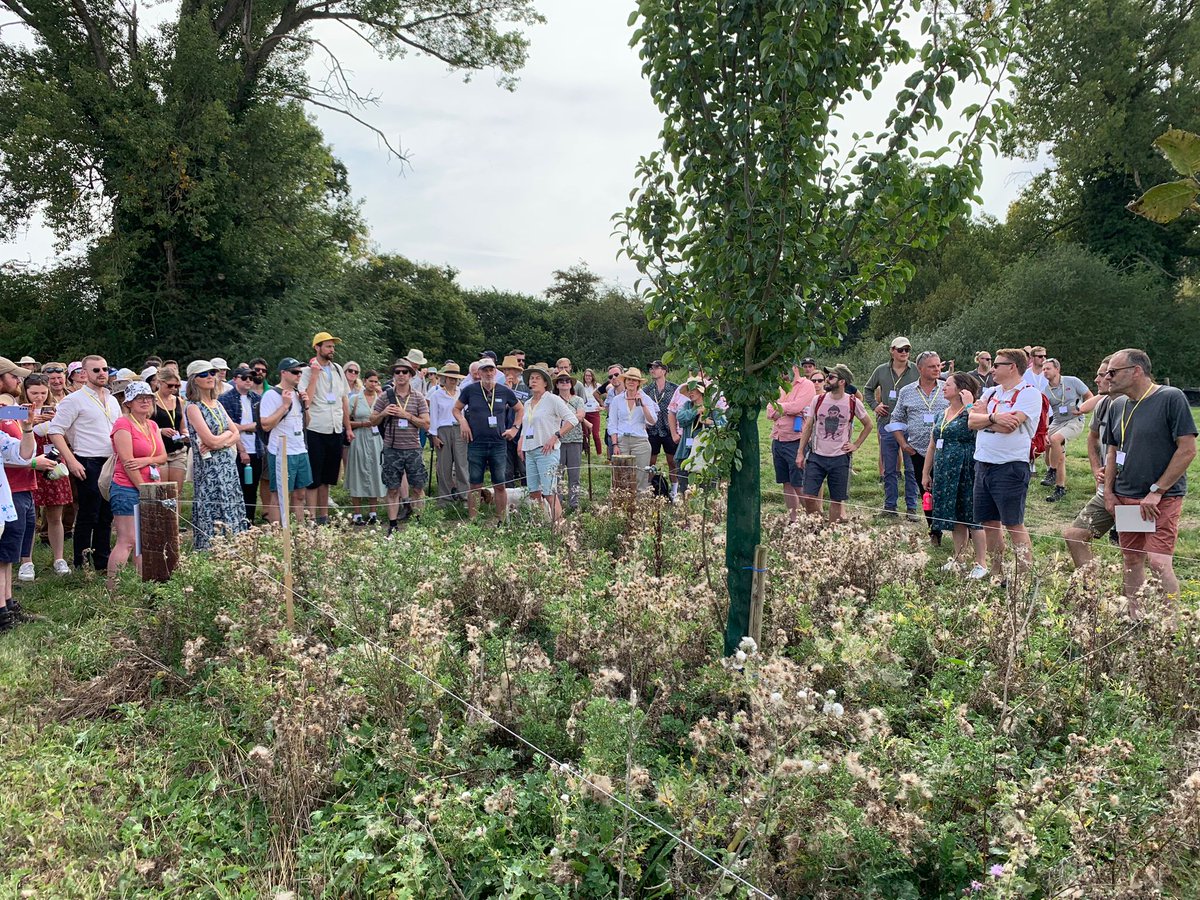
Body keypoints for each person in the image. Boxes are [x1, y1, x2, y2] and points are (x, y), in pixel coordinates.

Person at [1102, 348, 1197, 609]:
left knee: (1158, 561)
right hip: (1126, 496)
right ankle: (1135, 616)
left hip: (1159, 500)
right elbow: (1112, 451)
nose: (1107, 377)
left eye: (1113, 371)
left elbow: (1187, 449)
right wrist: (1109, 492)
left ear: (1136, 371)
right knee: (1131, 559)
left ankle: (1172, 627)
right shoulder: (1117, 403)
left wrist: (1157, 490)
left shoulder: (1170, 397)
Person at [967, 348, 1042, 580]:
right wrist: (993, 418)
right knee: (990, 522)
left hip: (1010, 466)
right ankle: (997, 571)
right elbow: (970, 421)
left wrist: (987, 421)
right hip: (983, 464)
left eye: (997, 364)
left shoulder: (1029, 394)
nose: (992, 369)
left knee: (1013, 523)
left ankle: (1025, 577)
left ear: (1012, 367)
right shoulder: (990, 393)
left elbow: (1011, 425)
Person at [48, 354, 120, 572]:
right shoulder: (74, 399)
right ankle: (81, 563)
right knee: (89, 513)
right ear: (84, 373)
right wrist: (71, 461)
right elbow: (55, 430)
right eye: (96, 370)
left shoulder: (113, 398)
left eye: (105, 369)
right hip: (87, 459)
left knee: (106, 514)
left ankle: (102, 561)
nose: (102, 374)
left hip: (111, 460)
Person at [921, 373, 988, 578]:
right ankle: (958, 559)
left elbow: (980, 430)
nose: (943, 387)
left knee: (972, 517)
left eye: (948, 384)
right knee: (955, 516)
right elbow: (933, 443)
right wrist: (926, 472)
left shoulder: (972, 412)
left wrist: (970, 405)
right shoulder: (942, 413)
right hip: (944, 471)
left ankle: (981, 563)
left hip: (965, 470)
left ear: (961, 389)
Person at [108, 382, 167, 587]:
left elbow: (162, 456)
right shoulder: (123, 424)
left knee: (145, 540)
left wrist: (146, 461)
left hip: (150, 485)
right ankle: (113, 588)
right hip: (127, 487)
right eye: (139, 397)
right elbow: (127, 462)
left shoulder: (152, 425)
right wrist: (142, 487)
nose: (145, 401)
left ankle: (144, 585)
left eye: (148, 397)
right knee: (128, 540)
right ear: (128, 402)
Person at [796, 365, 872, 522]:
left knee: (836, 500)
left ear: (842, 382)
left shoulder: (853, 402)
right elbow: (808, 426)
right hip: (816, 455)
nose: (827, 379)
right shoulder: (818, 400)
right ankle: (816, 526)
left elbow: (869, 424)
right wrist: (800, 452)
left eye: (831, 377)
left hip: (840, 457)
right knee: (809, 496)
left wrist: (856, 445)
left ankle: (831, 531)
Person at [184, 360, 248, 548]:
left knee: (231, 504)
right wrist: (224, 440)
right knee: (212, 508)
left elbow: (235, 433)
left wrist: (223, 439)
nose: (210, 377)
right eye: (204, 374)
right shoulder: (193, 407)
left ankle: (234, 548)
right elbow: (209, 440)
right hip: (209, 470)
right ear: (194, 380)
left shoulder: (217, 404)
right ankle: (211, 551)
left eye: (212, 372)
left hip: (227, 466)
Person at [1063, 358, 1117, 569]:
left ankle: (1139, 598)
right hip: (1106, 492)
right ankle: (1090, 594)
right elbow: (1093, 437)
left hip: (1131, 494)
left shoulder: (1139, 406)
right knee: (1074, 535)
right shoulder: (1103, 404)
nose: (1097, 379)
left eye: (1103, 375)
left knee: (1136, 553)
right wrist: (1096, 469)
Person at [455, 358, 523, 522]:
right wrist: (463, 422)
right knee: (475, 485)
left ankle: (501, 520)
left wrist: (514, 428)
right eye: (485, 370)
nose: (488, 373)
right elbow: (456, 409)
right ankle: (473, 521)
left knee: (499, 484)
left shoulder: (504, 391)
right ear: (479, 373)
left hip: (498, 444)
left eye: (491, 370)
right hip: (476, 443)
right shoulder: (470, 390)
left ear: (495, 371)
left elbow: (520, 409)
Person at [891, 350, 949, 538]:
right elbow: (896, 419)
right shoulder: (907, 391)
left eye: (939, 365)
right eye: (932, 366)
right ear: (920, 368)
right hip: (918, 452)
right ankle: (934, 530)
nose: (937, 369)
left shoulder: (947, 388)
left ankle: (959, 529)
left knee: (946, 490)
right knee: (926, 493)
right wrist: (903, 444)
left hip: (945, 451)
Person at [371, 358, 430, 533]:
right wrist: (382, 413)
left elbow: (426, 423)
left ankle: (420, 523)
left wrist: (407, 415)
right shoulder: (385, 397)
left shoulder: (418, 397)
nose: (401, 375)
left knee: (418, 487)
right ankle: (393, 525)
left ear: (411, 375)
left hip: (413, 448)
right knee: (392, 488)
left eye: (405, 372)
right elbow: (372, 420)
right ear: (394, 375)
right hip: (392, 448)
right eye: (397, 372)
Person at [299, 332, 352, 525]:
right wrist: (314, 376)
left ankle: (324, 517)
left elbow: (343, 399)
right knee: (314, 476)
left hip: (335, 427)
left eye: (333, 347)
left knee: (328, 477)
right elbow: (307, 400)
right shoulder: (305, 372)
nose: (332, 350)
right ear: (317, 347)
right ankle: (311, 518)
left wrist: (348, 427)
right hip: (316, 428)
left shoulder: (338, 369)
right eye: (328, 346)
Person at [864, 336, 920, 517]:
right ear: (892, 350)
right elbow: (867, 389)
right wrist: (875, 406)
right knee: (889, 468)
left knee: (911, 469)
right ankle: (890, 507)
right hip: (887, 424)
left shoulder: (917, 370)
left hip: (910, 426)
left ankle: (912, 508)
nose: (904, 353)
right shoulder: (881, 370)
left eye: (907, 349)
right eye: (900, 349)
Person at [518, 366, 578, 524]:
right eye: (531, 378)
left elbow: (572, 419)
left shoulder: (552, 399)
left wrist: (556, 435)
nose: (534, 380)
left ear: (545, 383)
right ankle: (540, 524)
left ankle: (559, 526)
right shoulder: (528, 403)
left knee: (550, 492)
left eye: (538, 378)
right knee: (534, 492)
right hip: (530, 449)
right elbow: (526, 426)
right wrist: (521, 442)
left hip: (547, 451)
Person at [26, 374, 73, 576]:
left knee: (55, 515)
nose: (39, 397)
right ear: (24, 391)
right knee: (28, 517)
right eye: (34, 393)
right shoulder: (17, 409)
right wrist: (30, 421)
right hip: (28, 465)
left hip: (54, 464)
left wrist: (56, 421)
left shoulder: (59, 408)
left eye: (43, 393)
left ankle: (59, 558)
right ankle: (26, 560)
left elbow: (69, 434)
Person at [259, 358, 312, 525]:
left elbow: (306, 424)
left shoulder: (299, 394)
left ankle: (300, 532)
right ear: (283, 373)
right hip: (281, 451)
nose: (299, 375)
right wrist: (284, 406)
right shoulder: (271, 394)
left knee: (300, 494)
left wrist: (306, 406)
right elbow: (265, 425)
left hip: (300, 449)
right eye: (295, 372)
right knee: (279, 495)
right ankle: (277, 534)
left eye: (300, 372)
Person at [767, 363, 817, 524]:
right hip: (778, 439)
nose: (783, 374)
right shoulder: (779, 388)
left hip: (796, 441)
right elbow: (769, 411)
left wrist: (780, 408)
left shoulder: (806, 385)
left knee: (799, 483)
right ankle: (793, 520)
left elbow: (798, 406)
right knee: (786, 482)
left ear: (795, 369)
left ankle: (813, 520)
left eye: (785, 369)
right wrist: (788, 408)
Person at [0, 412, 37, 631]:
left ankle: (6, 608)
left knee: (4, 557)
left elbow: (23, 454)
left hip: (3, 504)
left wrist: (27, 428)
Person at [1039, 358, 1094, 502]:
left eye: (1048, 368)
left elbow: (1090, 396)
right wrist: (1044, 430)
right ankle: (1059, 488)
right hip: (1057, 421)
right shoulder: (1045, 391)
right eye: (1043, 369)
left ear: (1057, 369)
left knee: (1056, 439)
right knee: (1052, 448)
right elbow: (1044, 412)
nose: (1045, 372)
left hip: (1074, 420)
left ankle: (1052, 470)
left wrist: (1082, 410)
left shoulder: (1072, 381)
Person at [219, 366, 264, 525]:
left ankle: (249, 522)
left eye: (251, 378)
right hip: (235, 450)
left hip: (256, 448)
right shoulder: (225, 398)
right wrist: (242, 450)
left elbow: (260, 424)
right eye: (244, 378)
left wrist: (242, 427)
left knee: (252, 488)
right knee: (235, 487)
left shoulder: (257, 398)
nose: (248, 381)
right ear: (236, 379)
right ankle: (235, 522)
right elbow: (229, 427)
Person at [606, 368, 660, 493]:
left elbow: (652, 421)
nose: (631, 382)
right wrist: (614, 444)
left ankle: (639, 509)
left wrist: (642, 404)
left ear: (638, 383)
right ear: (624, 381)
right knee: (621, 477)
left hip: (640, 441)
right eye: (629, 379)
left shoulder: (645, 399)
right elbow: (612, 424)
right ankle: (622, 508)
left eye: (634, 380)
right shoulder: (617, 400)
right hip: (622, 440)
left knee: (641, 478)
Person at [345, 369, 386, 525]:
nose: (373, 384)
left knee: (375, 472)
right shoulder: (355, 399)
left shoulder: (381, 399)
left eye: (376, 381)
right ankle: (357, 514)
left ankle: (373, 512)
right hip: (359, 437)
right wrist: (362, 424)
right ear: (365, 381)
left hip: (375, 439)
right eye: (371, 381)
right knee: (358, 472)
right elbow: (346, 420)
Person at [429, 363, 469, 509]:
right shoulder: (436, 395)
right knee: (444, 466)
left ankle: (464, 497)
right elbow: (433, 416)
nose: (453, 381)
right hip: (443, 430)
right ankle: (444, 500)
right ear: (444, 379)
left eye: (455, 378)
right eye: (450, 378)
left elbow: (465, 413)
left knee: (462, 464)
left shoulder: (462, 392)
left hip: (459, 429)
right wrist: (434, 436)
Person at [150, 366, 189, 509]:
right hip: (160, 451)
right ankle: (162, 524)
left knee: (175, 491)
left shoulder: (179, 400)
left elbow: (182, 425)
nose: (173, 389)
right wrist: (160, 430)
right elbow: (145, 425)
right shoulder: (151, 400)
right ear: (160, 382)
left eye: (177, 386)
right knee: (162, 491)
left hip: (178, 450)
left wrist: (185, 435)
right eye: (170, 385)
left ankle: (175, 525)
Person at [553, 371, 588, 512]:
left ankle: (574, 503)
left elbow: (581, 416)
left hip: (575, 440)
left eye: (567, 381)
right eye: (561, 381)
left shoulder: (578, 399)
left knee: (574, 474)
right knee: (558, 474)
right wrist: (572, 416)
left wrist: (564, 415)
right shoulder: (553, 399)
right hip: (558, 440)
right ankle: (558, 504)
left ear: (571, 384)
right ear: (556, 384)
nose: (564, 383)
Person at [644, 360, 680, 493]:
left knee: (672, 461)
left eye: (655, 367)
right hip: (652, 430)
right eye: (651, 368)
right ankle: (649, 488)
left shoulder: (675, 389)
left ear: (664, 371)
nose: (652, 370)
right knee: (650, 461)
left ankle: (674, 490)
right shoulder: (647, 389)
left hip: (669, 429)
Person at [500, 356, 531, 487]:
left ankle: (527, 495)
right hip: (505, 430)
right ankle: (508, 496)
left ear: (517, 371)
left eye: (511, 369)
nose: (508, 373)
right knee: (507, 469)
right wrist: (507, 390)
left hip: (523, 430)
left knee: (524, 466)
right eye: (506, 370)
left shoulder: (526, 387)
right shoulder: (500, 387)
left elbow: (529, 407)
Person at [580, 369, 604, 455]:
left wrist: (602, 407)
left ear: (592, 376)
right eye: (586, 375)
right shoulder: (581, 386)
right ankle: (586, 451)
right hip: (584, 412)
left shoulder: (598, 386)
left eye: (589, 375)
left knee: (595, 434)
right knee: (585, 434)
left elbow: (608, 397)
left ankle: (599, 453)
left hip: (594, 412)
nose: (588, 377)